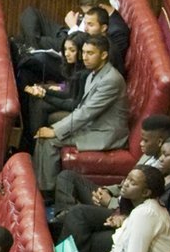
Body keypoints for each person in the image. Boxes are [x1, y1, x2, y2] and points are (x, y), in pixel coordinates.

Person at [32, 35, 127, 193]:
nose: (84, 57)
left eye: (90, 53)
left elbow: (87, 112)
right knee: (43, 134)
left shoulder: (111, 80)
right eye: (83, 52)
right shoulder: (93, 73)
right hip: (93, 123)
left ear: (103, 55)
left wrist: (55, 130)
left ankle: (47, 192)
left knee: (49, 140)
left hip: (104, 132)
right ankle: (38, 183)